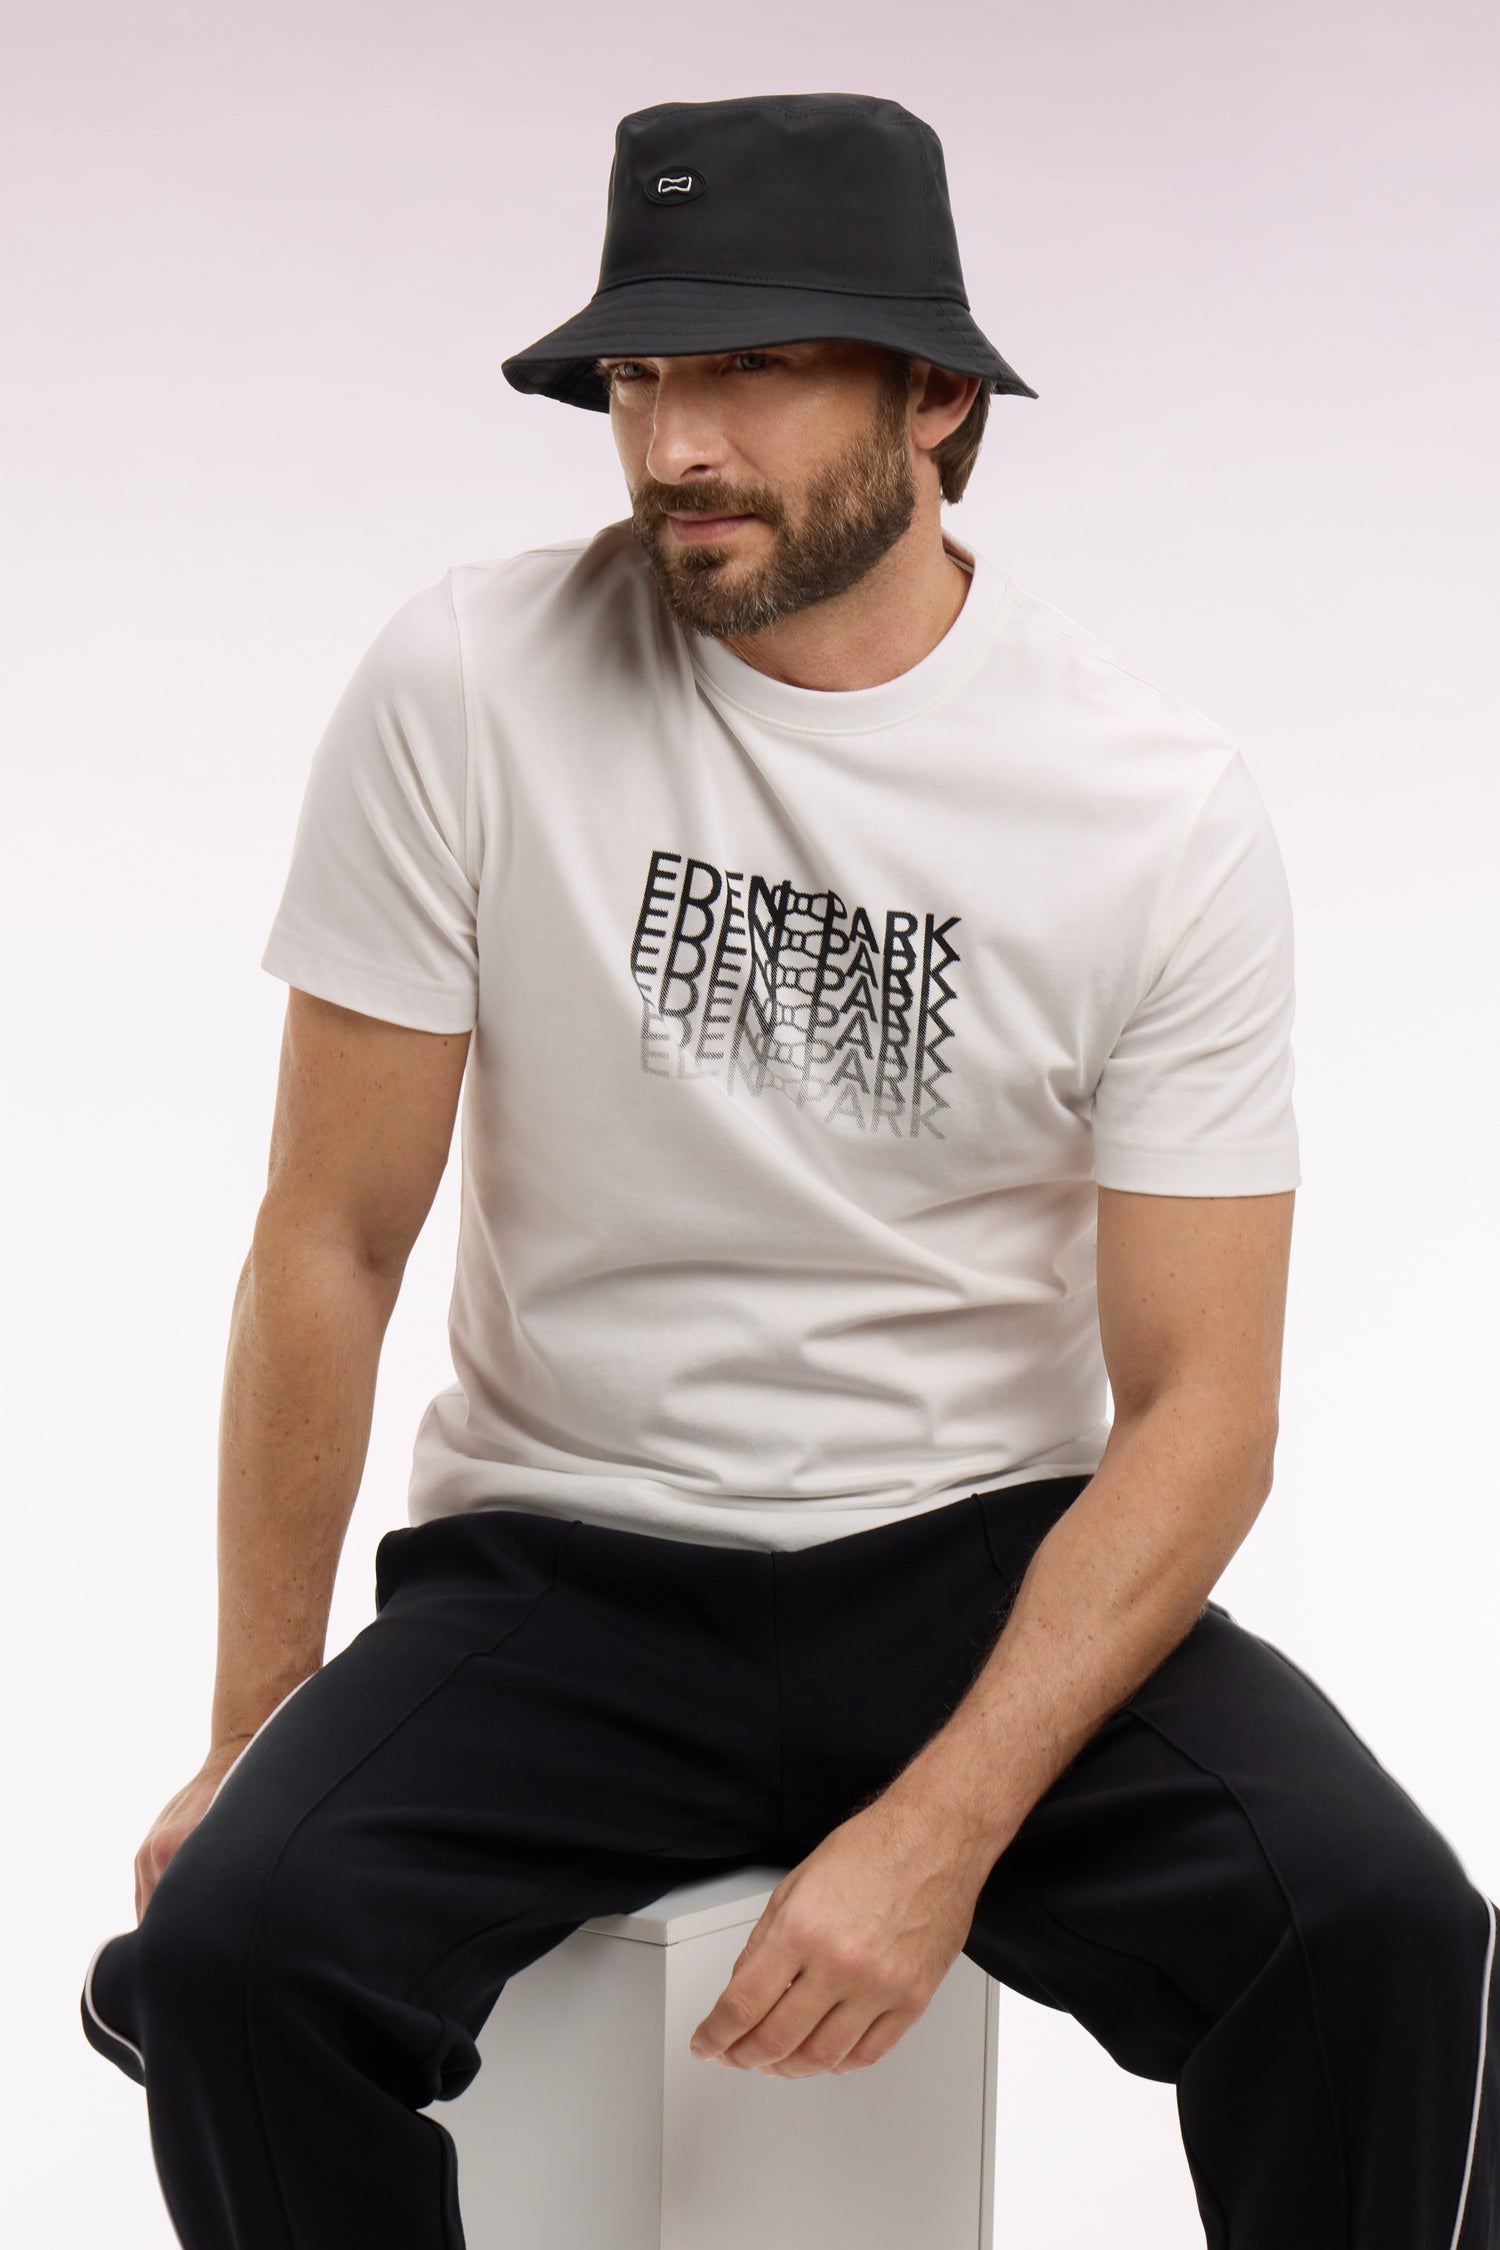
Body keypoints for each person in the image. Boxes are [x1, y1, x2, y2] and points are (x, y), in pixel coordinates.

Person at [79, 90, 1496, 2250]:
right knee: (230, 1961)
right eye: (639, 377)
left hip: (977, 1564)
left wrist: (943, 1830)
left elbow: (1205, 1412)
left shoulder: (1149, 806)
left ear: (935, 400)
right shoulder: (467, 683)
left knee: (1387, 1934)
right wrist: (251, 1728)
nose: (675, 444)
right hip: (564, 1567)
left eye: (748, 366)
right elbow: (334, 1238)